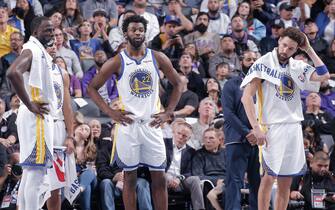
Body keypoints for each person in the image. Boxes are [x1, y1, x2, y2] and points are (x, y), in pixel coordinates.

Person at [86, 15, 183, 210]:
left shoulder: (157, 57)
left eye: (141, 29)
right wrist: (110, 113)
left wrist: (168, 113)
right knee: (129, 178)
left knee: (159, 177)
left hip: (151, 124)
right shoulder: (117, 61)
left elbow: (178, 83)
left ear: (145, 32)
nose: (138, 32)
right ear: (125, 34)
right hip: (128, 126)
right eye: (133, 30)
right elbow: (92, 88)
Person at [240, 27, 330, 210]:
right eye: (283, 45)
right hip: (272, 127)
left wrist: (309, 49)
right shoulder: (264, 63)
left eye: (290, 48)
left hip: (294, 127)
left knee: (285, 181)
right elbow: (246, 97)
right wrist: (256, 127)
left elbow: (324, 75)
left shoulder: (296, 66)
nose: (285, 50)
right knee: (268, 177)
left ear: (296, 49)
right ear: (278, 41)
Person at [6, 16, 57, 210]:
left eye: (52, 30)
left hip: (33, 118)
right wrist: (29, 104)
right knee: (36, 174)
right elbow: (12, 72)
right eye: (47, 30)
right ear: (35, 32)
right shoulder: (32, 49)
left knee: (29, 173)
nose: (51, 33)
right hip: (36, 117)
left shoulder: (38, 50)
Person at [222, 49, 260, 210]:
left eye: (255, 60)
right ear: (241, 62)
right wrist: (247, 132)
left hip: (260, 141)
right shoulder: (232, 84)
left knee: (258, 183)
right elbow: (228, 113)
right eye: (248, 59)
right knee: (234, 183)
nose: (252, 62)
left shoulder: (264, 85)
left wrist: (258, 133)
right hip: (237, 139)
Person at [45, 42, 75, 210]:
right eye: (48, 44)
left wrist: (70, 136)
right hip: (39, 126)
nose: (53, 47)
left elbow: (67, 107)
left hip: (57, 127)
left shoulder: (62, 73)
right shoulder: (31, 68)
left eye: (54, 44)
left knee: (56, 185)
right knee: (33, 181)